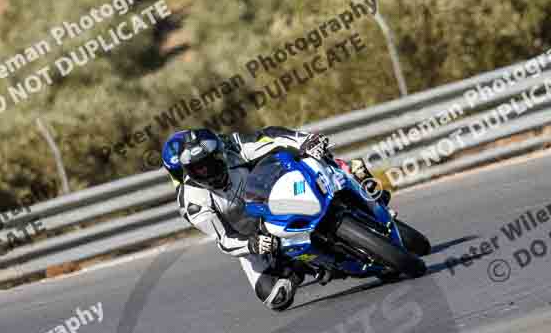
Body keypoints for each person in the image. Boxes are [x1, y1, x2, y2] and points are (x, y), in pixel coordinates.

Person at [162, 127, 389, 311]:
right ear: (187, 171)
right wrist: (251, 244)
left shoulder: (233, 147)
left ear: (219, 152)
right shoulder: (191, 201)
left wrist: (305, 141)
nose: (207, 171)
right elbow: (224, 240)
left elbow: (270, 137)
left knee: (306, 155)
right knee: (275, 297)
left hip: (278, 196)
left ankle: (351, 174)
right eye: (198, 169)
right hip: (253, 236)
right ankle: (301, 266)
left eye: (210, 162)